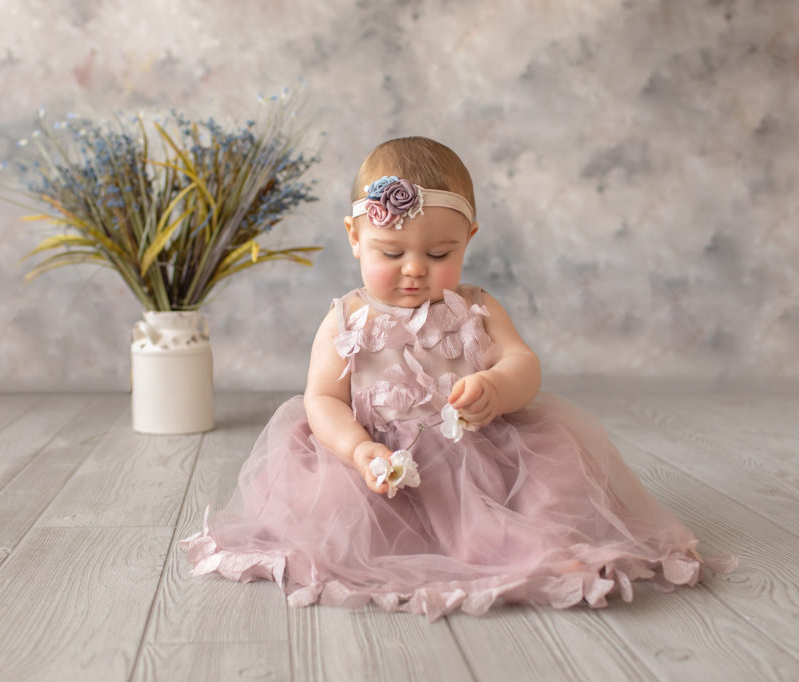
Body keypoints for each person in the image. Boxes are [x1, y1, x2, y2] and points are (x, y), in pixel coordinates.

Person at [181, 136, 730, 621]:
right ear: (354, 236)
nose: (415, 267)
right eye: (390, 252)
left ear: (468, 238)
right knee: (347, 521)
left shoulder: (477, 307)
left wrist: (497, 387)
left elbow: (524, 364)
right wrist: (359, 450)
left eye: (439, 252)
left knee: (545, 488)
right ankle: (480, 548)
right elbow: (322, 398)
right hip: (378, 462)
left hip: (479, 452)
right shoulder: (347, 318)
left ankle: (543, 549)